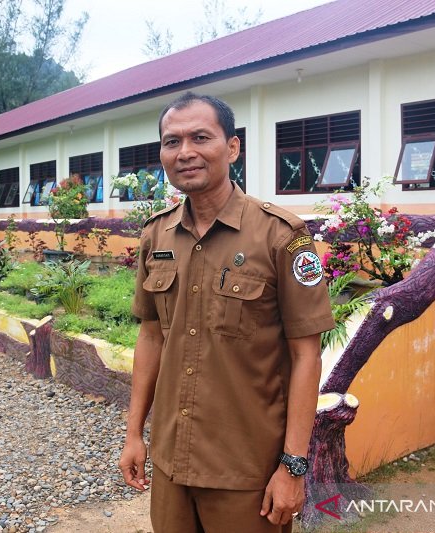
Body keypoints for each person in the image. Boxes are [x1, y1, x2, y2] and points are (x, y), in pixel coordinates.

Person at [119, 92, 335, 532]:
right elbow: (151, 337)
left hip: (247, 471)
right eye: (171, 141)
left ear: (232, 148)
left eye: (201, 137)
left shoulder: (282, 236)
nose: (185, 153)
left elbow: (306, 356)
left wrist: (293, 467)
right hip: (171, 460)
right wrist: (133, 435)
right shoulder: (156, 235)